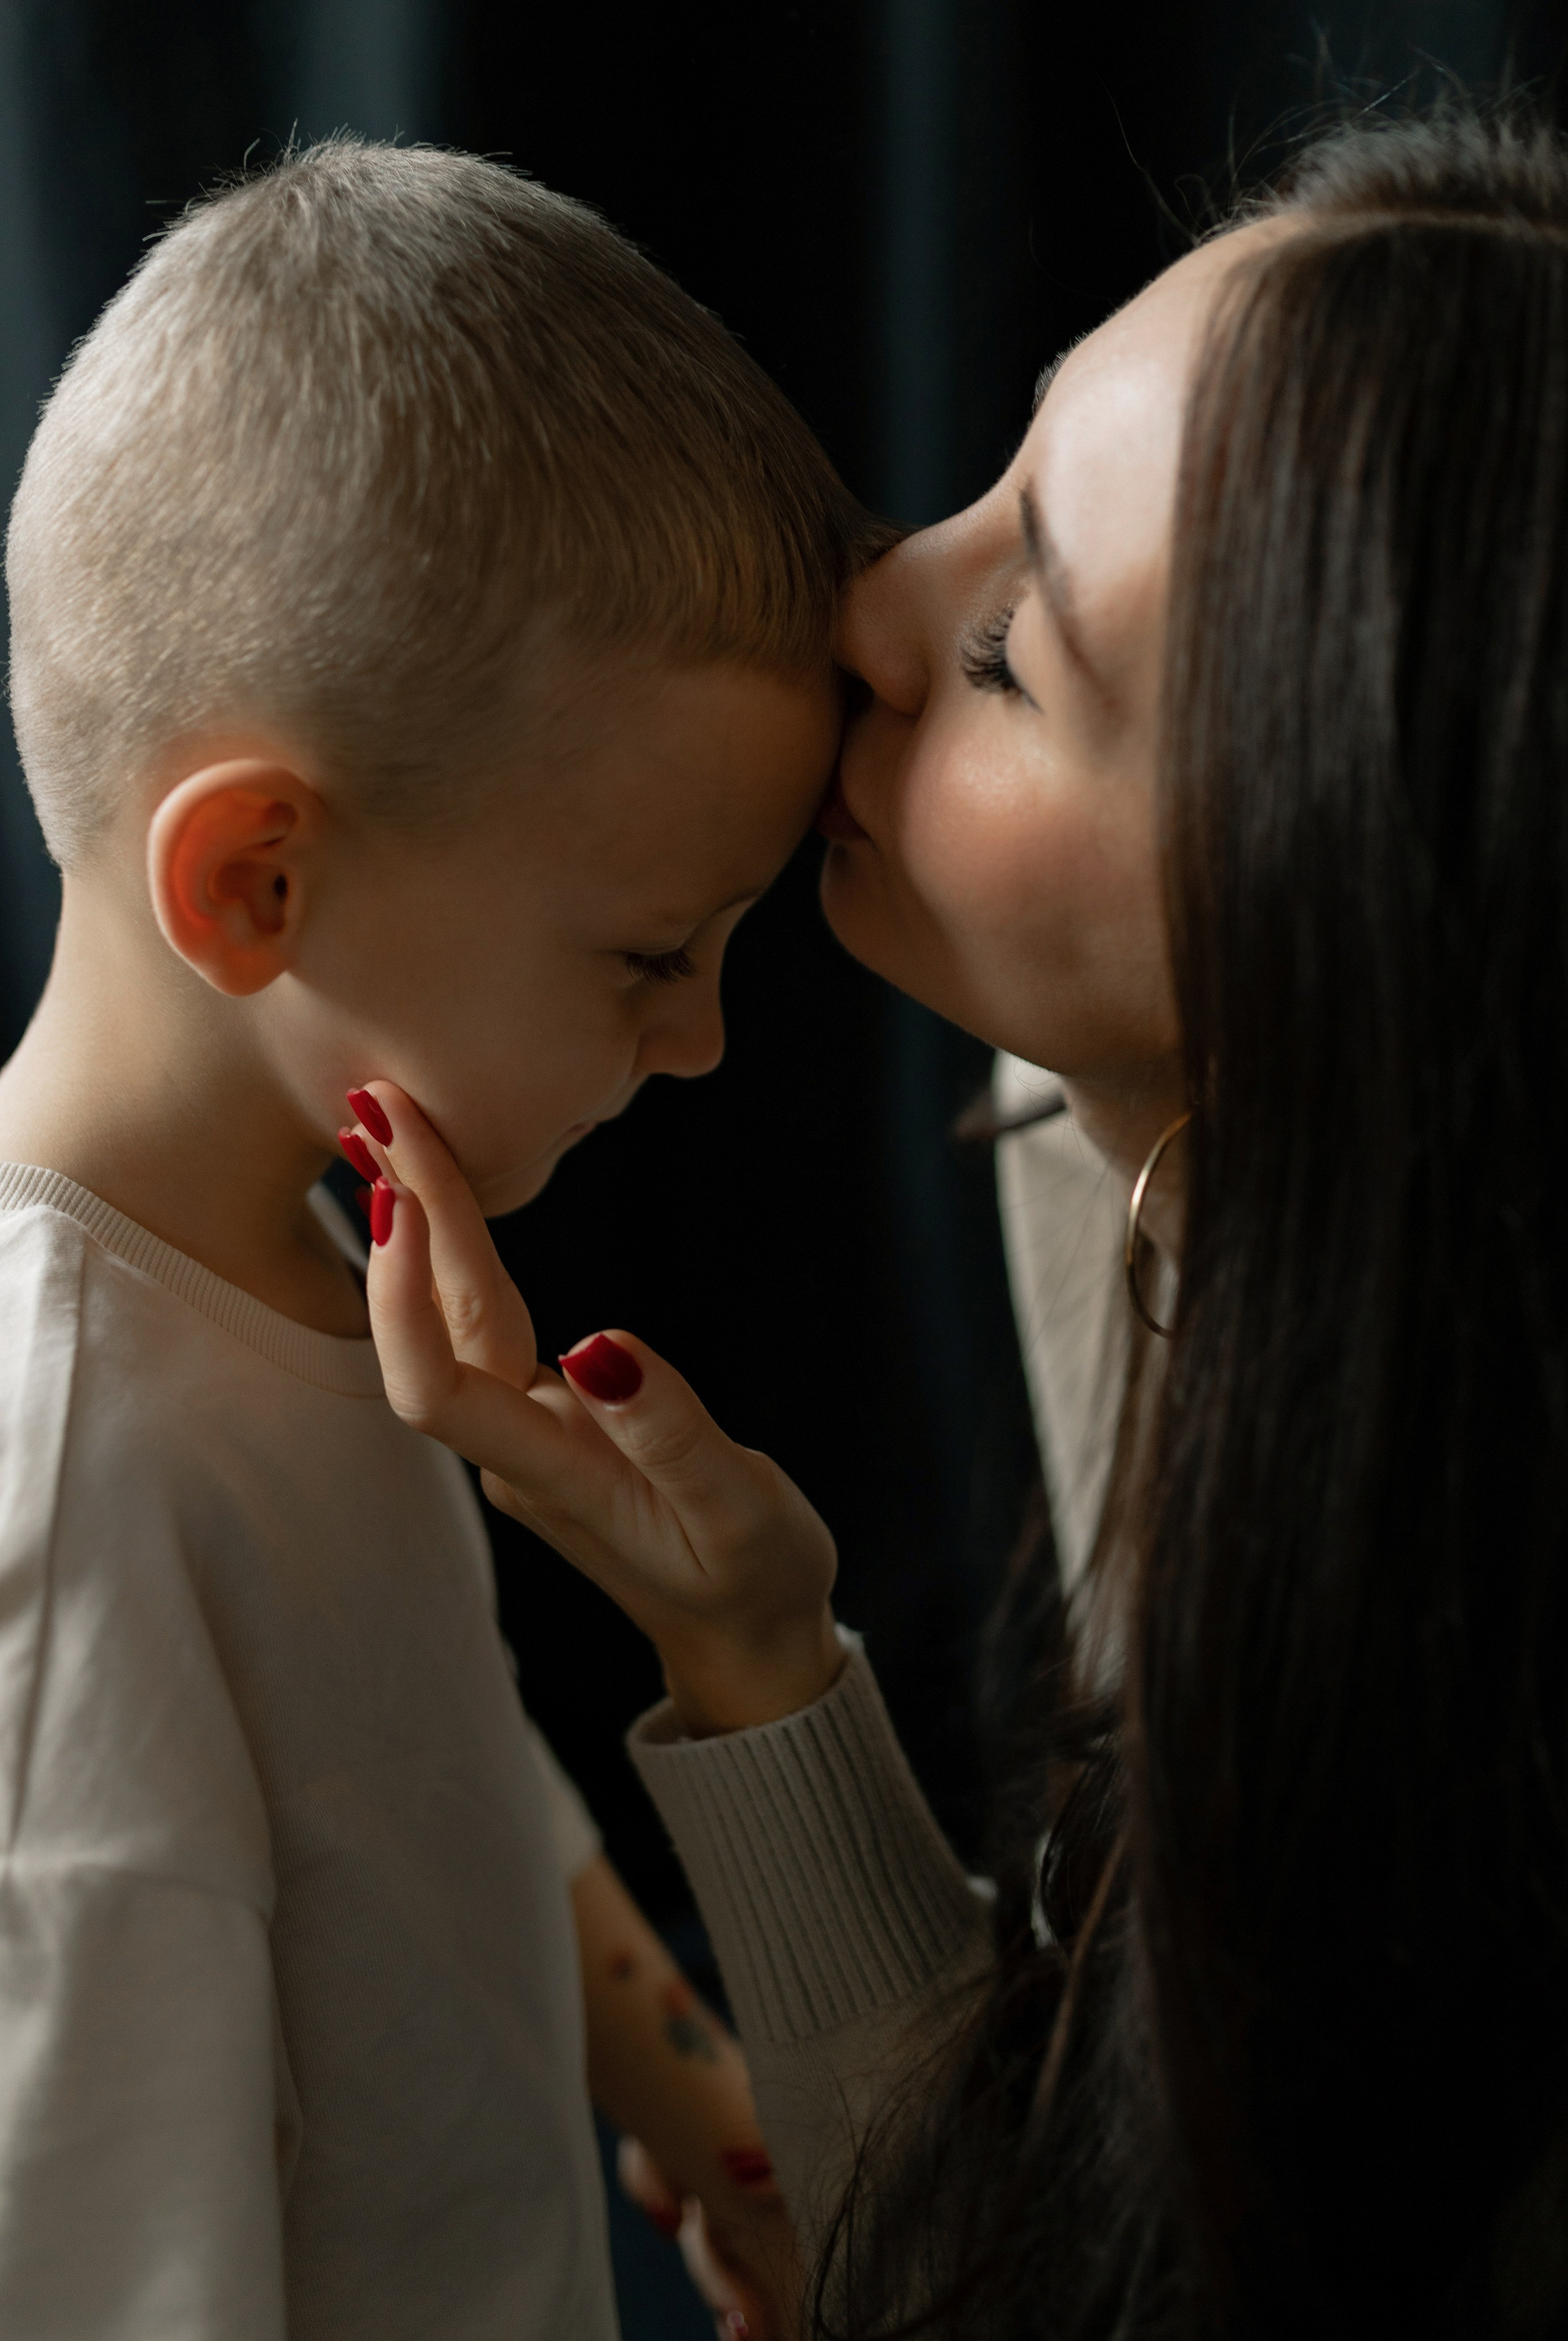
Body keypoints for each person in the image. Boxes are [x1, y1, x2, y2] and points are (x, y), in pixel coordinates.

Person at [360, 108, 1568, 2339]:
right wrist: (752, 1653)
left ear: (1333, 971)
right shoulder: (1104, 1158)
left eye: (1020, 652)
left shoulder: (1564, 1843)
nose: (873, 603)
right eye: (998, 477)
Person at [0, 137, 890, 2338]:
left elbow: (425, 1765)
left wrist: (712, 2106)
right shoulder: (62, 1490)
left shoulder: (306, 1263)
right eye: (646, 954)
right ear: (257, 889)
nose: (698, 1044)